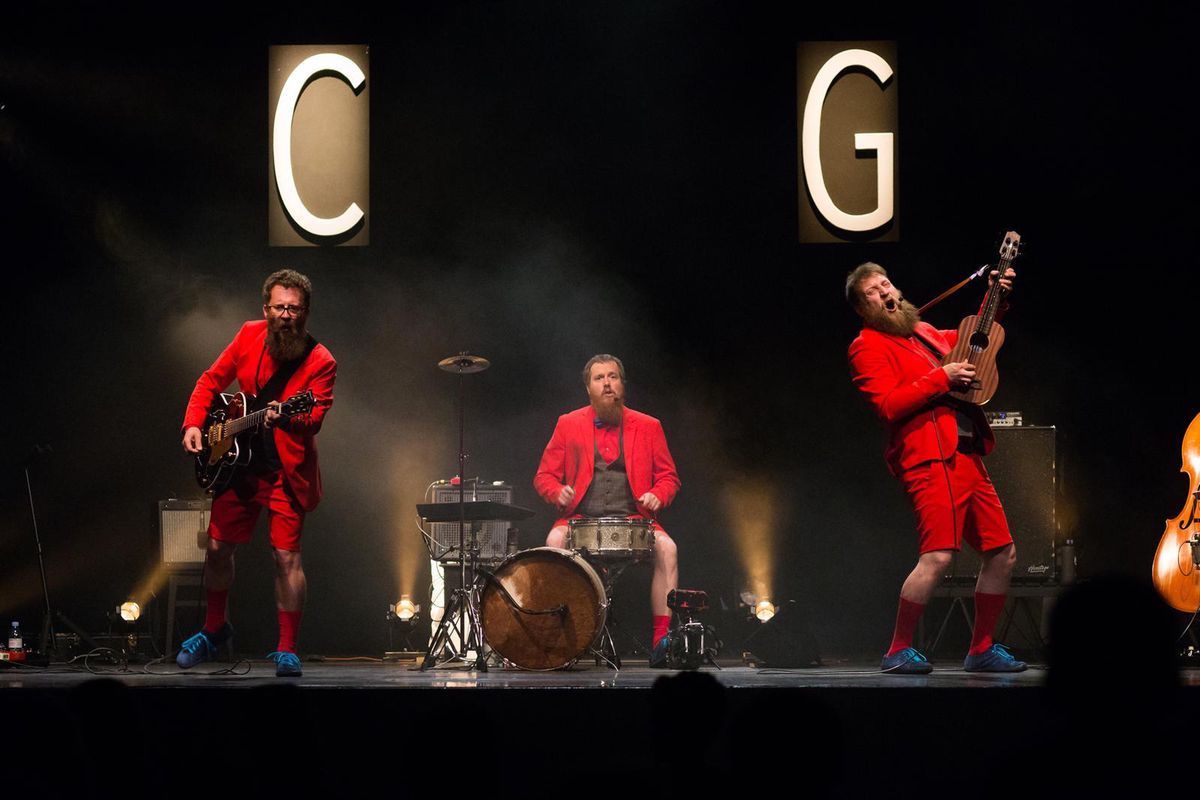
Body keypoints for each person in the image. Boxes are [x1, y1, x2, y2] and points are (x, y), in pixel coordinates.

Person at [846, 262, 1026, 674]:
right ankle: (897, 650)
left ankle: (981, 649)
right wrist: (941, 378)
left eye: (886, 283)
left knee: (1003, 553)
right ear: (862, 307)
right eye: (873, 291)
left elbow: (974, 343)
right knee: (938, 557)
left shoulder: (924, 331)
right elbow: (887, 405)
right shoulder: (866, 346)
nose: (885, 292)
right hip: (929, 458)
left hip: (966, 452)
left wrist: (995, 297)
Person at [178, 269, 336, 677]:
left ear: (305, 312)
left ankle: (287, 648)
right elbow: (210, 381)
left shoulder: (321, 361)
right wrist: (194, 424)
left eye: (294, 309)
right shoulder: (248, 334)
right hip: (238, 467)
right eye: (279, 307)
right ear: (266, 308)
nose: (286, 315)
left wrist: (286, 418)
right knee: (217, 548)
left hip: (285, 472)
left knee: (286, 557)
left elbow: (314, 419)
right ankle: (214, 628)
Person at [534, 355, 681, 666]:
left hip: (635, 519)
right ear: (588, 388)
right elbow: (544, 477)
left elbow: (669, 478)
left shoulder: (649, 425)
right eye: (599, 378)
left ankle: (661, 641)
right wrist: (557, 492)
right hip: (579, 518)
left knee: (668, 549)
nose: (607, 383)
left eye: (613, 377)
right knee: (553, 543)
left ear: (622, 385)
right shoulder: (568, 423)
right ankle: (558, 637)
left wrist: (657, 494)